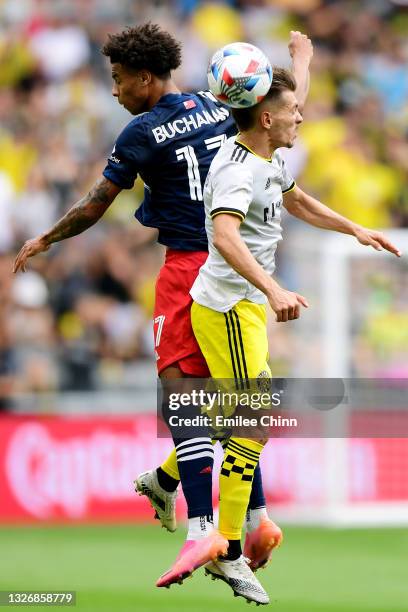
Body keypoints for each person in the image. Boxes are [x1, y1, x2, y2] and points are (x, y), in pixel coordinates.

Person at [12, 23, 313, 598]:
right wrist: (300, 65)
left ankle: (209, 533)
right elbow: (275, 113)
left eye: (120, 80)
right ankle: (245, 516)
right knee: (232, 403)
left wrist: (47, 237)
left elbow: (98, 202)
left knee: (184, 398)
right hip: (239, 268)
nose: (116, 92)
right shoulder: (215, 102)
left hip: (190, 268)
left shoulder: (140, 133)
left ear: (144, 78)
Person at [188, 66, 401, 603]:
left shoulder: (270, 157)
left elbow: (298, 200)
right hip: (229, 307)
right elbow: (226, 235)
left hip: (246, 309)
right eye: (292, 111)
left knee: (242, 421)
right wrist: (274, 286)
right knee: (253, 421)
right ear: (266, 118)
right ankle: (229, 550)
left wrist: (354, 227)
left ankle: (173, 485)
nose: (301, 115)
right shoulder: (237, 169)